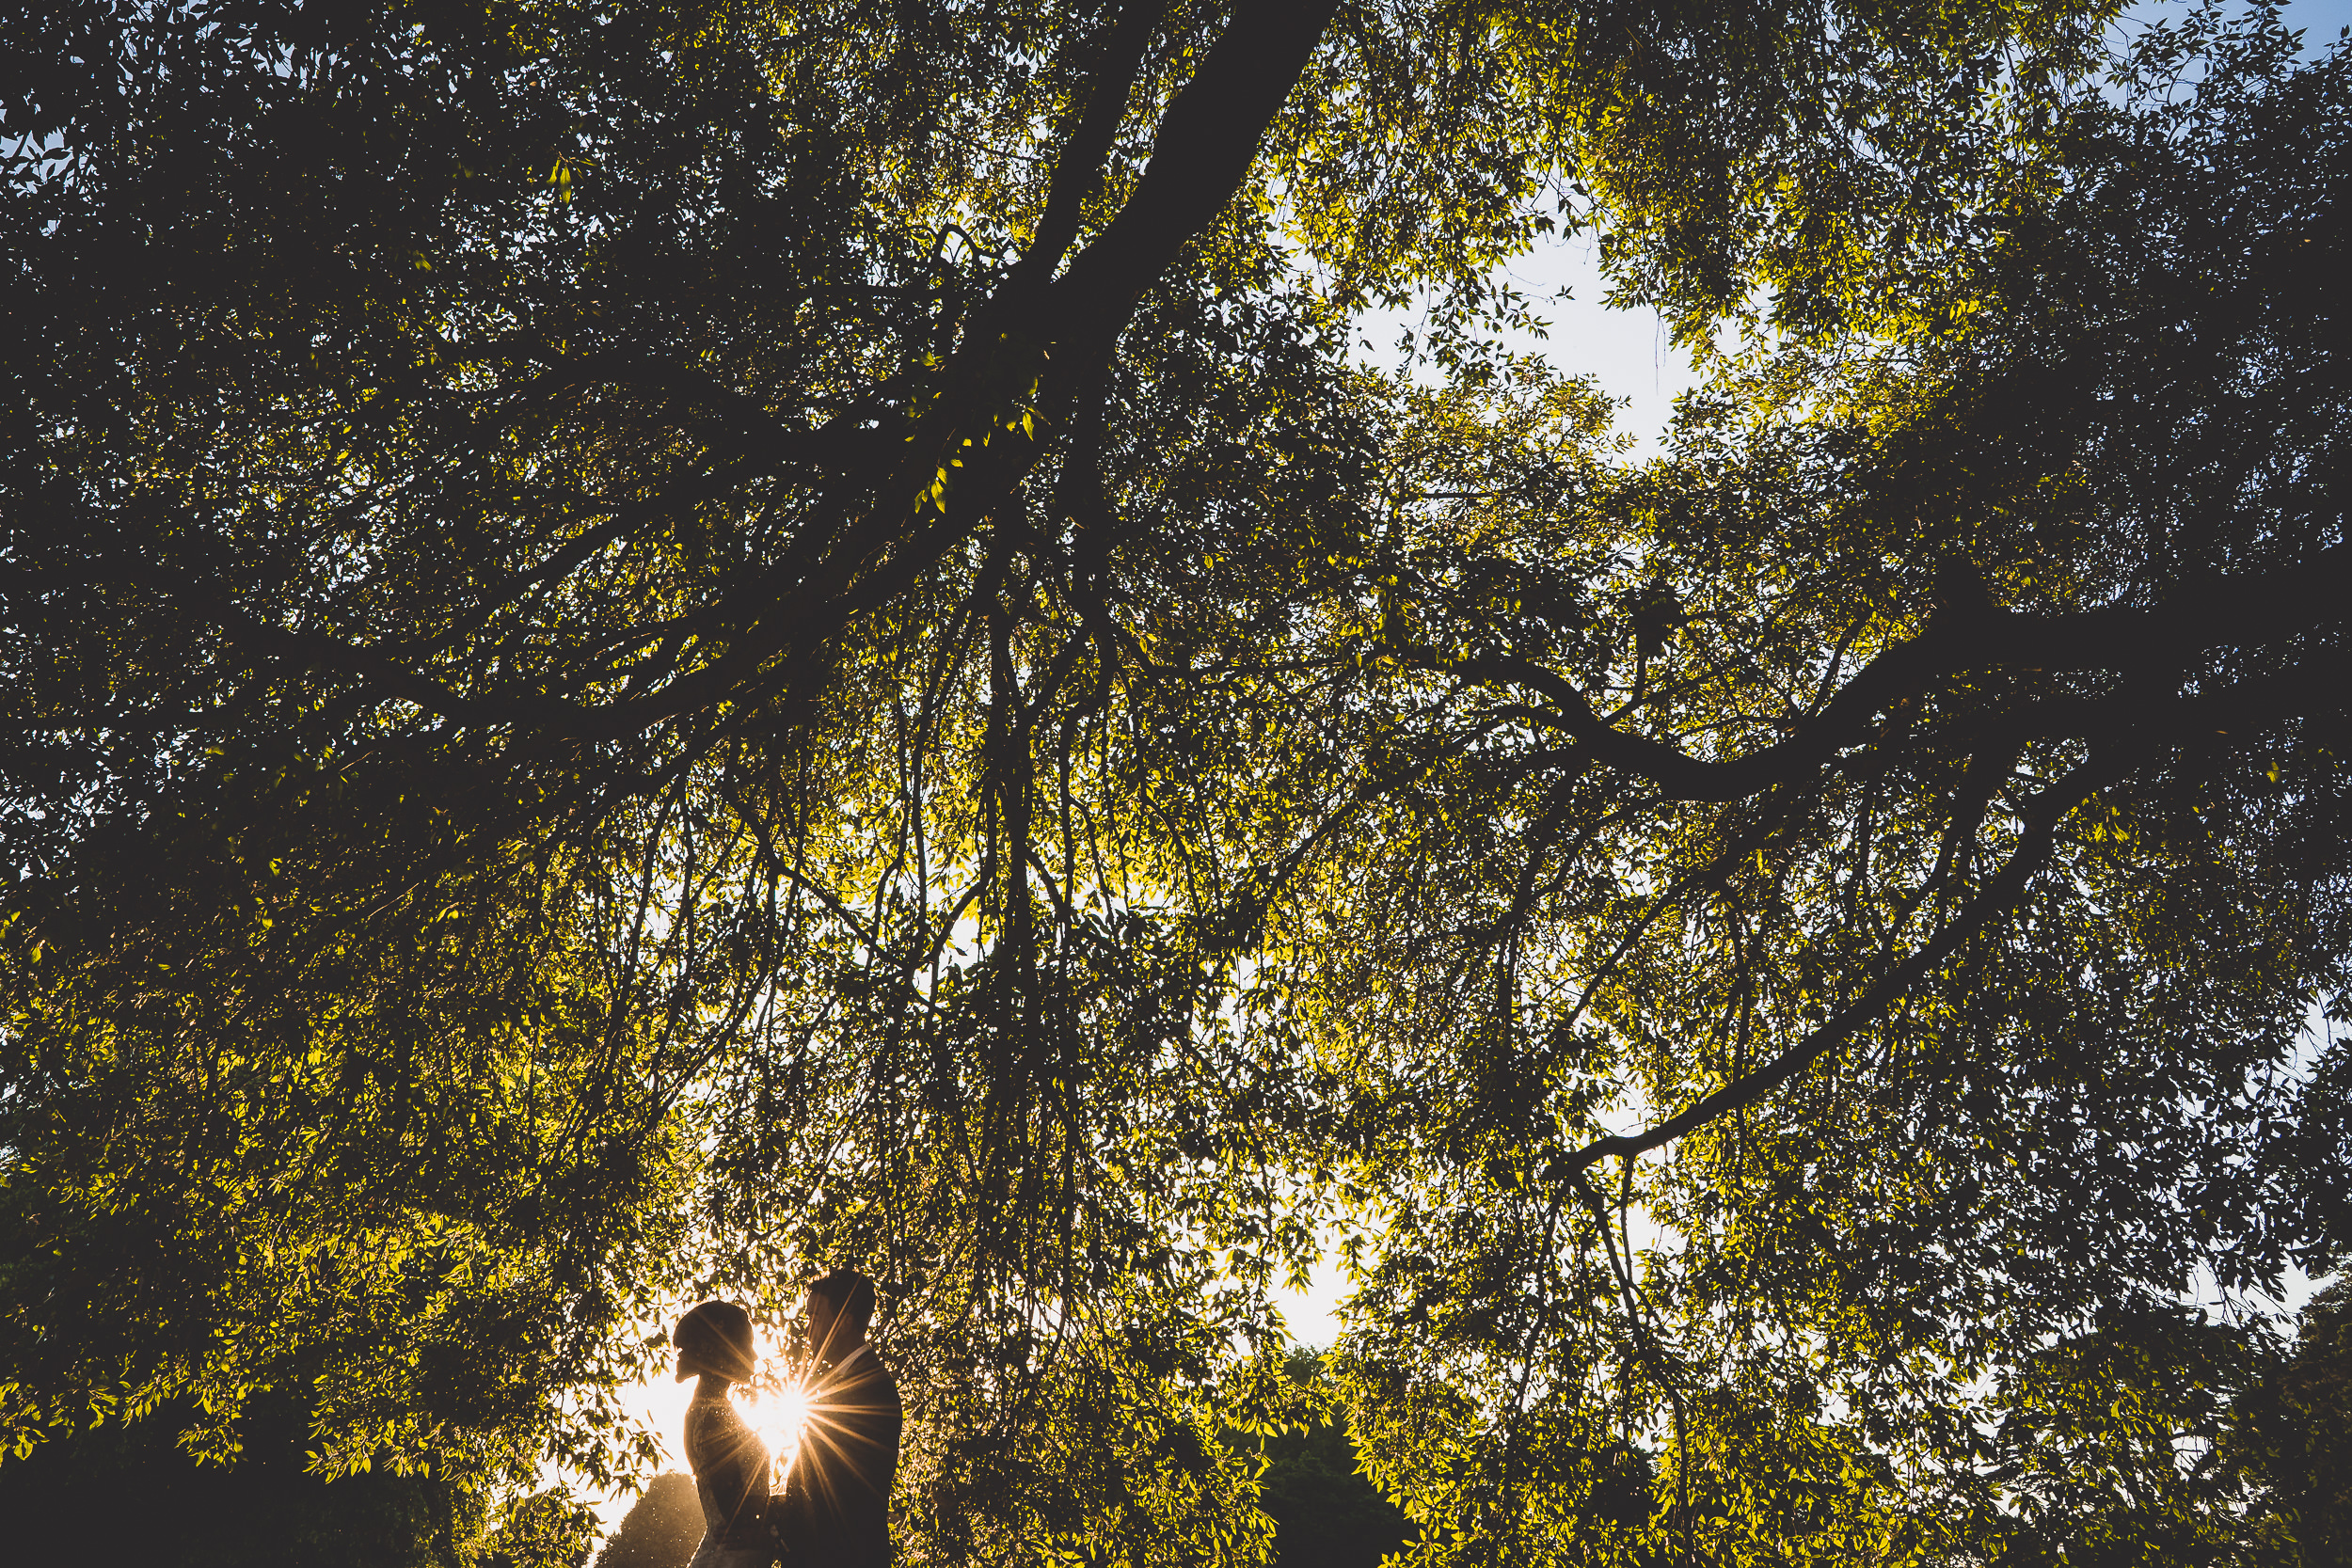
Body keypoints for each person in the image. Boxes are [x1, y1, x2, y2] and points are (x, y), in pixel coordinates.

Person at [773, 1270, 902, 1568]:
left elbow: (837, 1489)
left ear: (843, 1323)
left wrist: (771, 1516)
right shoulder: (844, 1381)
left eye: (814, 1319)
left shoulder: (871, 1390)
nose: (807, 1332)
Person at [673, 1299, 775, 1568]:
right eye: (746, 1344)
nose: (753, 1355)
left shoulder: (708, 1412)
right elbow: (739, 1517)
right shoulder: (713, 1419)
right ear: (719, 1350)